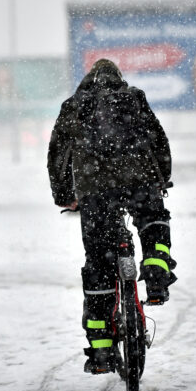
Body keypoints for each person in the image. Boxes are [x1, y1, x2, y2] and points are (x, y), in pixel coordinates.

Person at [47, 59, 177, 374]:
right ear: (118, 79)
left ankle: (102, 348)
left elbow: (57, 155)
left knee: (99, 263)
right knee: (152, 221)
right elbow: (158, 141)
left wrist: (64, 195)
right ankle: (157, 274)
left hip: (95, 189)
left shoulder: (74, 105)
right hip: (139, 179)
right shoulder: (133, 98)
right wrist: (161, 180)